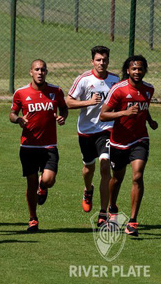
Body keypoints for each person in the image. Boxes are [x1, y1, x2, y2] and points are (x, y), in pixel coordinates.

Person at [99, 55, 157, 237]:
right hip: (119, 142)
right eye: (134, 69)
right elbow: (103, 115)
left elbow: (143, 108)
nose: (137, 72)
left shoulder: (149, 89)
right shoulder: (118, 90)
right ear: (128, 71)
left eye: (140, 69)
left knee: (138, 175)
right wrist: (125, 112)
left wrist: (150, 120)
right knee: (116, 179)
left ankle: (132, 221)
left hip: (140, 139)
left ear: (144, 70)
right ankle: (112, 209)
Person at [9, 59, 68, 232]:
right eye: (37, 69)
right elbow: (12, 113)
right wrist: (18, 119)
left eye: (43, 70)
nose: (40, 72)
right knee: (31, 183)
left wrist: (62, 117)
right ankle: (33, 218)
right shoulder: (21, 93)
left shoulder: (56, 91)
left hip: (49, 145)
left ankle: (44, 186)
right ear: (31, 72)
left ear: (46, 72)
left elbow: (64, 108)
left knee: (48, 180)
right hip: (28, 147)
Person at [65, 46, 119, 226]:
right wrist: (89, 102)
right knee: (88, 169)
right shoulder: (83, 79)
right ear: (92, 62)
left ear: (108, 61)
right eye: (98, 60)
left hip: (107, 130)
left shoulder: (115, 80)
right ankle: (88, 189)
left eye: (104, 60)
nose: (101, 63)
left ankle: (103, 213)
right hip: (86, 131)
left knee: (105, 168)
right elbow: (68, 102)